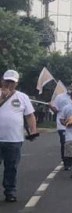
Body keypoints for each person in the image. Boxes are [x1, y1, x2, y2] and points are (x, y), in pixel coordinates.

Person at [0, 70, 39, 202]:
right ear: (2, 80)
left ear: (16, 83)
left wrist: (33, 131)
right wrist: (2, 97)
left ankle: (10, 191)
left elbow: (30, 115)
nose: (9, 84)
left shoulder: (22, 97)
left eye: (12, 82)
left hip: (14, 139)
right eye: (7, 81)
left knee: (11, 167)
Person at [51, 83, 72, 170]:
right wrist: (50, 106)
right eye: (71, 86)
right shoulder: (60, 97)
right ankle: (66, 162)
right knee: (65, 144)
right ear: (68, 87)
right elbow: (55, 109)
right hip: (63, 125)